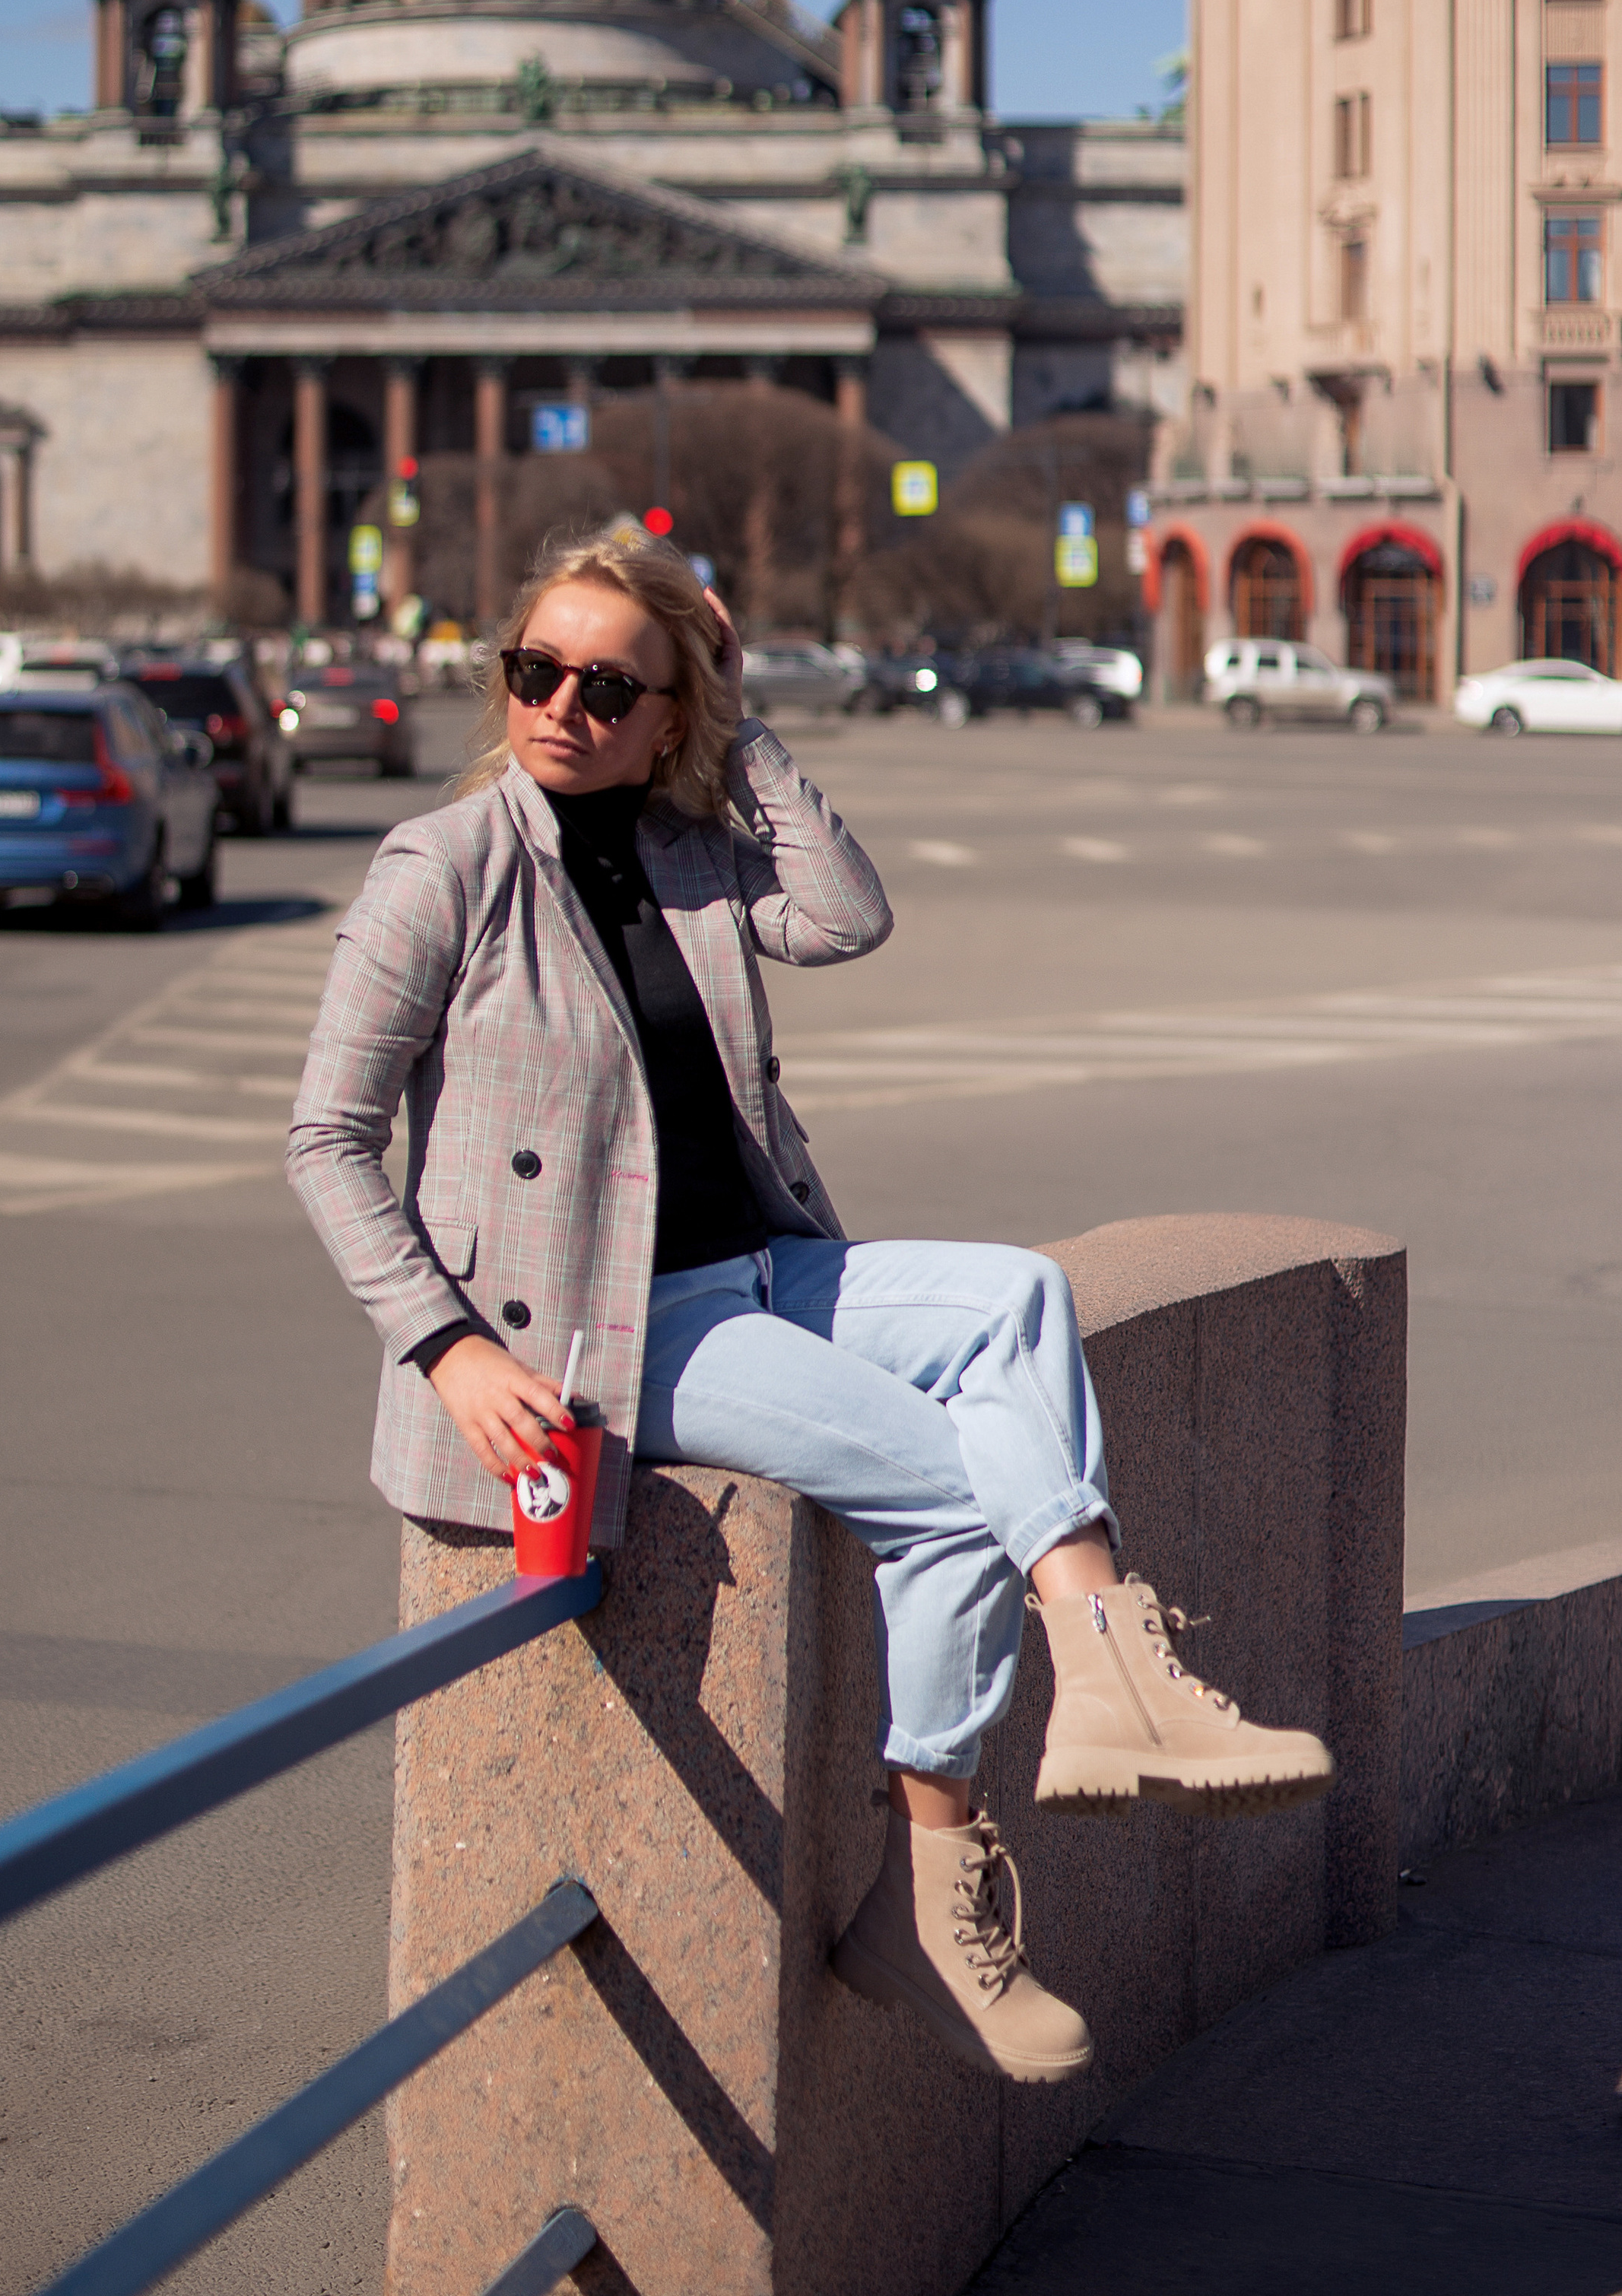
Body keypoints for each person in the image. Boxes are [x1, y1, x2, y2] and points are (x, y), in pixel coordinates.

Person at [287, 531, 1333, 2083]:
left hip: (758, 1265)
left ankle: (1111, 1671)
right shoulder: (442, 871)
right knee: (939, 1484)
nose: (563, 706)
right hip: (604, 1328)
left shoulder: (686, 847)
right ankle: (935, 1867)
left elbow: (846, 915)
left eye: (608, 686)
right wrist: (442, 1349)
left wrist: (745, 714)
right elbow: (324, 1138)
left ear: (662, 718)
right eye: (534, 673)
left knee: (1015, 1301)